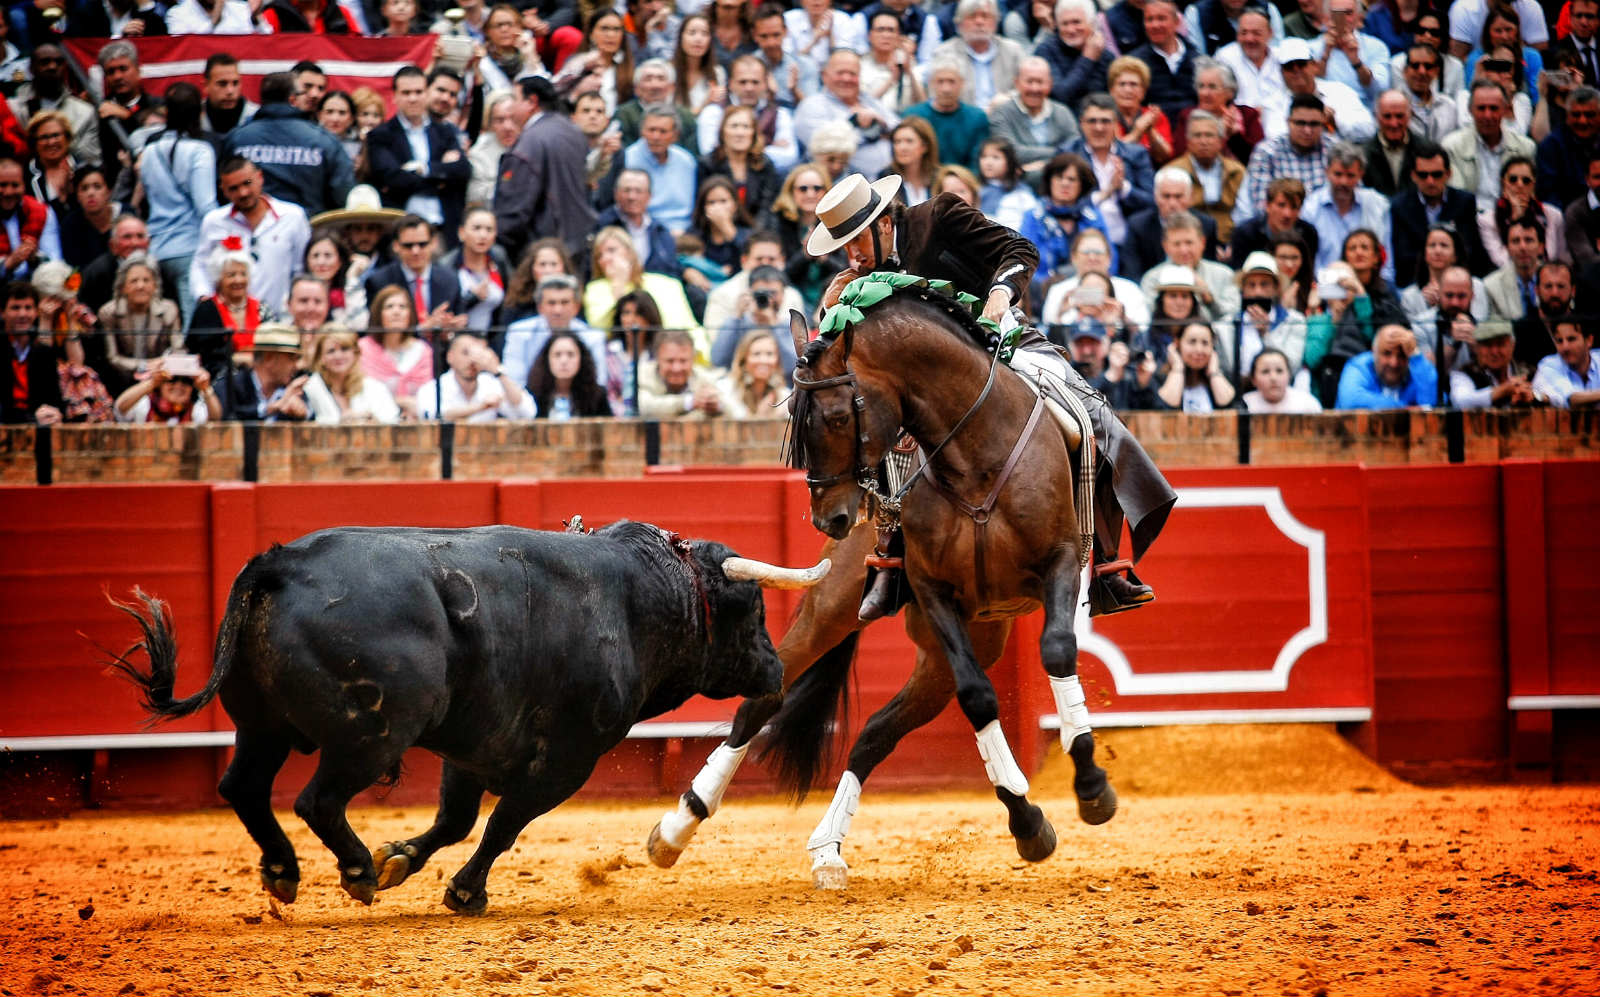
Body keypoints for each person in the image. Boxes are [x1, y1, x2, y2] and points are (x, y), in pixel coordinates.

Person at [808, 171, 1175, 618]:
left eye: (856, 242)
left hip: (1002, 340)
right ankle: (890, 561)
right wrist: (831, 310)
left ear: (884, 223)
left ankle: (1106, 565)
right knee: (876, 428)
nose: (852, 256)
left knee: (1088, 414)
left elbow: (1021, 250)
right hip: (926, 386)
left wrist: (1001, 291)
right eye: (843, 248)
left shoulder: (939, 215)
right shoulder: (858, 276)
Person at [223, 72, 354, 220]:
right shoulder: (324, 140)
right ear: (293, 100)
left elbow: (222, 190)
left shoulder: (237, 139)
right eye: (303, 93)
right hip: (309, 230)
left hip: (248, 229)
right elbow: (343, 196)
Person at [137, 82, 215, 331]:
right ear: (198, 113)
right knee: (191, 324)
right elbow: (205, 206)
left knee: (157, 324)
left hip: (155, 247)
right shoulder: (200, 151)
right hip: (189, 251)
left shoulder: (148, 151)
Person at [495, 76, 597, 264]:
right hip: (578, 243)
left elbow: (514, 210)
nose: (512, 107)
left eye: (515, 99)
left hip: (542, 251)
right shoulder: (573, 132)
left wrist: (502, 241)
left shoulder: (528, 142)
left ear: (531, 102)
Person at [191, 157, 310, 317]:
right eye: (233, 188)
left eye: (247, 183)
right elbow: (200, 265)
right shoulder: (214, 221)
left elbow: (300, 269)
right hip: (231, 320)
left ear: (260, 178)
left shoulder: (293, 216)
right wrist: (204, 298)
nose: (243, 193)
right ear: (223, 190)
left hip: (280, 319)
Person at [365, 67, 471, 248]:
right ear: (395, 96)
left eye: (418, 92)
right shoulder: (381, 135)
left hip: (443, 230)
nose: (413, 98)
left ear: (427, 93)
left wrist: (423, 169)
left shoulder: (445, 132)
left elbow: (463, 170)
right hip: (401, 232)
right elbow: (393, 179)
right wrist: (440, 175)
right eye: (406, 93)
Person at [584, 226, 703, 358]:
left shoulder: (666, 283)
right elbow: (601, 331)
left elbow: (688, 326)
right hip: (622, 359)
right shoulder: (595, 289)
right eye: (599, 255)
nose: (606, 259)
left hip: (673, 356)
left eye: (612, 250)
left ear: (630, 252)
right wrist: (619, 285)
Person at [1060, 93, 1155, 249]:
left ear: (1116, 124)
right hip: (1082, 240)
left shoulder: (1136, 155)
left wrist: (1123, 187)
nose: (1099, 128)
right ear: (1081, 124)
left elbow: (1152, 202)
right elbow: (1062, 205)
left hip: (1129, 240)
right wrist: (1105, 193)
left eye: (1105, 121)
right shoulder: (1068, 154)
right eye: (1092, 121)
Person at [1018, 152, 1109, 302]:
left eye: (1072, 179)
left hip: (1091, 290)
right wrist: (1052, 286)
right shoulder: (1033, 217)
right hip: (1042, 292)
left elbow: (1110, 260)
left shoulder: (1093, 218)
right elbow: (1025, 261)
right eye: (1059, 177)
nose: (1065, 183)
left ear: (1082, 184)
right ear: (1049, 181)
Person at [795, 50, 900, 179]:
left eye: (852, 73)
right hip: (846, 186)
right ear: (824, 76)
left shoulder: (869, 101)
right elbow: (827, 146)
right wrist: (860, 126)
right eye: (840, 73)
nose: (846, 78)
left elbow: (901, 130)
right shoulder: (812, 105)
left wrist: (881, 123)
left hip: (894, 180)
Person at [1390, 147, 1490, 280]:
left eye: (1437, 174)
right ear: (1413, 176)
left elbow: (1471, 249)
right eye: (1423, 175)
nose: (1430, 181)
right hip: (1416, 281)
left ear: (1448, 174)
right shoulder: (1400, 206)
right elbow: (1403, 256)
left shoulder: (1464, 202)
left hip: (1458, 278)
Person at [1442, 79, 1537, 210]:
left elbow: (1527, 195)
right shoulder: (1451, 147)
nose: (1488, 115)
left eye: (1494, 108)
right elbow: (1457, 198)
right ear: (1470, 110)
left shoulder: (1525, 148)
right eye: (1481, 108)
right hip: (1469, 221)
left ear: (1505, 109)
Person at [762, 163, 844, 311]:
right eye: (803, 189)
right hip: (791, 296)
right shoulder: (779, 223)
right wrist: (805, 255)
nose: (810, 194)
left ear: (826, 191)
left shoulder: (838, 221)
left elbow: (844, 269)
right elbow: (780, 273)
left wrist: (824, 259)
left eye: (817, 188)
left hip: (829, 294)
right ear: (791, 192)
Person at [604, 107, 699, 235]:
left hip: (684, 232)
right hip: (641, 231)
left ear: (675, 135)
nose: (656, 136)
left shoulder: (686, 162)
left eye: (663, 131)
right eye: (651, 130)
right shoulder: (627, 159)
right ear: (642, 131)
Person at [1221, 251, 1309, 387]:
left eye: (1264, 284)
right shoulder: (1226, 325)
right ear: (1243, 290)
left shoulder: (1295, 321)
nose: (1258, 292)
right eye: (1251, 285)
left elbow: (1292, 366)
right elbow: (1226, 369)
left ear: (1275, 288)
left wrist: (1266, 334)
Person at [987, 57, 1079, 183]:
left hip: (1060, 185)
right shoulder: (1001, 114)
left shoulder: (1062, 112)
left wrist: (1039, 166)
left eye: (1040, 82)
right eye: (1029, 82)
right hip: (1016, 186)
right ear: (1017, 83)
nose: (1034, 88)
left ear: (1050, 84)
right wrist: (1059, 152)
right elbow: (1009, 153)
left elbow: (1076, 149)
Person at [1138, 212, 1239, 324]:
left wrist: (1209, 299)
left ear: (1202, 242)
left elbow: (1232, 316)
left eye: (1189, 243)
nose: (1184, 250)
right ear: (1165, 246)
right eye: (1177, 244)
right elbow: (1150, 317)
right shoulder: (1152, 279)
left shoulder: (1224, 275)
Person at [99, 253, 181, 390]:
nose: (140, 286)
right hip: (120, 382)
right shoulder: (109, 312)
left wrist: (162, 365)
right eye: (134, 281)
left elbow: (178, 349)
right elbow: (112, 358)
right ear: (123, 287)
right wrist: (145, 365)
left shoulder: (169, 309)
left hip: (161, 380)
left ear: (155, 285)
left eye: (146, 280)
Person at [1120, 168, 1219, 280]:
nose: (1172, 203)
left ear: (1190, 197)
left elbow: (1209, 269)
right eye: (1166, 196)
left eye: (1178, 196)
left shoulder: (1206, 225)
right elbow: (1132, 271)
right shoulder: (1138, 225)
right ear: (1156, 197)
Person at [1166, 111, 1245, 250]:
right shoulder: (1173, 172)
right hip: (1187, 240)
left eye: (1209, 135)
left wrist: (1235, 243)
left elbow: (1244, 213)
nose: (1203, 141)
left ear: (1221, 141)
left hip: (1229, 240)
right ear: (1188, 142)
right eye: (1197, 136)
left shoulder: (1237, 171)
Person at [189, 251, 274, 376]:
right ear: (219, 279)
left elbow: (272, 346)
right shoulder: (207, 309)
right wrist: (239, 359)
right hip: (222, 380)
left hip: (260, 377)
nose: (238, 280)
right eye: (231, 275)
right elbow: (209, 356)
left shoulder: (261, 308)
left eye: (243, 274)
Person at [1481, 156, 1568, 270]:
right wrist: (1517, 218)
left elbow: (1560, 258)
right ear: (1503, 184)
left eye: (1526, 180)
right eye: (1513, 179)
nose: (1520, 185)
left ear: (1533, 185)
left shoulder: (1553, 215)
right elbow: (1502, 261)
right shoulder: (1487, 220)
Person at [359, 285, 432, 417]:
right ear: (378, 313)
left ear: (410, 314)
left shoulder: (423, 350)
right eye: (389, 307)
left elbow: (428, 396)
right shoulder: (363, 349)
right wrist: (399, 402)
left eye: (402, 307)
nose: (396, 312)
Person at [700, 103, 783, 219]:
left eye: (746, 127)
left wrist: (753, 235)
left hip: (758, 232)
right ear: (723, 132)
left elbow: (767, 209)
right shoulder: (707, 164)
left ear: (753, 133)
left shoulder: (765, 164)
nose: (740, 133)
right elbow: (703, 208)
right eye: (734, 126)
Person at [595, 169, 682, 278]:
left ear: (649, 196)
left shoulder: (660, 231)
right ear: (616, 193)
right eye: (627, 190)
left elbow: (672, 270)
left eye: (638, 191)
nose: (632, 197)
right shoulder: (602, 225)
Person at [304, 328, 402, 424]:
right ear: (321, 357)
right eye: (331, 351)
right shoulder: (311, 388)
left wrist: (374, 422)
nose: (338, 356)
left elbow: (393, 423)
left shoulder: (375, 387)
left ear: (355, 353)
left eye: (344, 349)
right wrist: (340, 423)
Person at [218, 324, 311, 422]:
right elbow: (229, 417)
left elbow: (310, 417)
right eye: (291, 358)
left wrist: (302, 413)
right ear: (269, 358)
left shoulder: (293, 389)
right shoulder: (232, 386)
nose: (296, 366)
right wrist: (271, 408)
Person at [0, 282, 63, 424]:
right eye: (15, 308)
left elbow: (55, 400)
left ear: (36, 313)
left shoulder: (44, 352)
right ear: (2, 312)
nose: (22, 314)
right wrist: (32, 419)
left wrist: (55, 413)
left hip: (38, 426)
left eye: (28, 308)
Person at [1334, 322, 1437, 408]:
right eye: (1387, 353)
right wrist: (1405, 409)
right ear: (1374, 352)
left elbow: (1433, 402)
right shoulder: (1359, 366)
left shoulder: (1416, 367)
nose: (1394, 363)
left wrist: (1415, 355)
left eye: (1402, 355)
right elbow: (1350, 401)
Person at [1034, 0, 1111, 112]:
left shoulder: (1104, 55)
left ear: (1092, 24)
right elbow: (1059, 96)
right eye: (1064, 24)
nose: (1070, 30)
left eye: (1076, 22)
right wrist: (1087, 59)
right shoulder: (1046, 51)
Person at [1127, 0, 1197, 123]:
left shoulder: (1197, 60)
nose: (1155, 25)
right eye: (1149, 19)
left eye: (1161, 18)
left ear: (1177, 22)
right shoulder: (1134, 64)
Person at [1535, 86, 1600, 210]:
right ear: (1567, 116)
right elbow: (1549, 195)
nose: (1583, 121)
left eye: (1589, 115)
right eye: (1576, 115)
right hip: (1567, 218)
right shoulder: (1551, 146)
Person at [636, 327, 723, 418]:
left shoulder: (706, 378)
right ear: (657, 359)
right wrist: (689, 402)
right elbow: (644, 407)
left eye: (683, 361)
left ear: (693, 359)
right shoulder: (642, 374)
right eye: (670, 361)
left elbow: (731, 408)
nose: (677, 368)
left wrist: (717, 406)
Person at [1450, 319, 1537, 408]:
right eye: (1487, 345)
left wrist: (1531, 395)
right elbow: (1460, 401)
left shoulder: (1530, 372)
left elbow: (1546, 394)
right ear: (1476, 348)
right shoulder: (1463, 374)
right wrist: (1502, 391)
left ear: (1512, 345)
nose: (1494, 352)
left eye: (1500, 344)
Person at [113, 354, 221, 425]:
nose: (178, 385)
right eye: (172, 380)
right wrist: (152, 382)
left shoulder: (194, 409)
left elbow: (215, 420)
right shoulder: (146, 404)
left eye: (186, 381)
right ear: (161, 384)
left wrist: (206, 388)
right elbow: (120, 407)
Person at [527, 329, 611, 419]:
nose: (564, 361)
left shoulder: (597, 395)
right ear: (547, 360)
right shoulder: (533, 395)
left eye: (570, 355)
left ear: (581, 359)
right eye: (557, 355)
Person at [0, 157, 60, 282]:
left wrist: (35, 258)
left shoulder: (43, 212)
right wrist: (7, 265)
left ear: (24, 186)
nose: (8, 192)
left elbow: (55, 264)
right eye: (3, 185)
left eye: (15, 185)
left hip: (34, 289)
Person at [1106, 55, 1172, 167]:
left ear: (1144, 91)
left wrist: (1151, 131)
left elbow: (1165, 156)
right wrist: (1138, 131)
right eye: (1122, 84)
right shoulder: (1105, 117)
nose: (1128, 90)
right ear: (1112, 90)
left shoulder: (1154, 115)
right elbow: (1113, 153)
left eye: (1134, 84)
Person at [860, 9, 929, 113]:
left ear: (899, 36)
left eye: (891, 30)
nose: (886, 35)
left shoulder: (908, 63)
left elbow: (924, 105)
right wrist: (892, 80)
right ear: (869, 36)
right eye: (880, 30)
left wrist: (909, 72)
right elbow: (862, 107)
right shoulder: (860, 65)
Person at [1157, 320, 1235, 411]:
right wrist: (1177, 367)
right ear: (1177, 344)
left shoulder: (1222, 377)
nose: (1199, 350)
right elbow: (1166, 409)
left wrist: (1213, 372)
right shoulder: (1160, 378)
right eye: (1192, 342)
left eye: (1205, 343)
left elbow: (1231, 408)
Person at [1483, 217, 1545, 320]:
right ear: (1507, 248)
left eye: (1528, 240)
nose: (1522, 247)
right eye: (1516, 241)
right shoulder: (1491, 286)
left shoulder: (1557, 281)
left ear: (1541, 247)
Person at [716, 327, 785, 419]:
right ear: (744, 359)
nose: (763, 360)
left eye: (769, 354)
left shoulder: (784, 396)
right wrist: (761, 417)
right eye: (756, 354)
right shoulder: (725, 389)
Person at [1531, 316, 1600, 407]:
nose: (1565, 347)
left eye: (1571, 339)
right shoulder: (1549, 365)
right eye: (1559, 341)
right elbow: (1572, 399)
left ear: (1589, 340)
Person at [976, 138, 1040, 230]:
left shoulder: (1022, 191)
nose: (988, 162)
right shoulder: (977, 189)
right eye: (984, 157)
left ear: (1009, 162)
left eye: (995, 157)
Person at [1242, 346, 1323, 412]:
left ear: (1289, 375)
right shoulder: (1244, 405)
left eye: (1279, 371)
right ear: (1253, 379)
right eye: (1265, 371)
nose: (1273, 378)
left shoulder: (1308, 404)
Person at [885, 119, 940, 205]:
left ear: (925, 146)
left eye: (909, 141)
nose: (902, 147)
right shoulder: (886, 178)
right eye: (897, 141)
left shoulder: (939, 177)